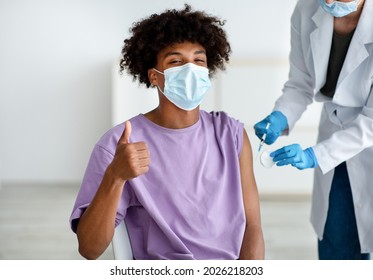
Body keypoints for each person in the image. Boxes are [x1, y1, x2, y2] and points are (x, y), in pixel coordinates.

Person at [70, 4, 265, 260]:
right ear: (154, 76)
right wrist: (115, 177)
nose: (190, 69)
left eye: (198, 60)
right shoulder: (119, 145)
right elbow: (90, 248)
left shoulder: (232, 135)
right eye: (176, 61)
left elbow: (252, 227)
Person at [254, 0, 373, 260]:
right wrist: (280, 116)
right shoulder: (307, 8)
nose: (328, 2)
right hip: (334, 138)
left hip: (368, 139)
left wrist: (314, 155)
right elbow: (301, 83)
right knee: (337, 243)